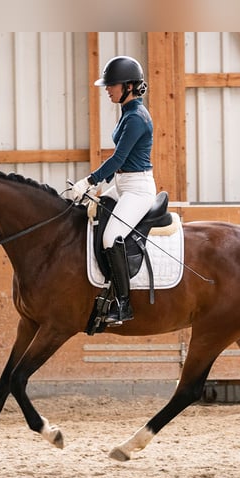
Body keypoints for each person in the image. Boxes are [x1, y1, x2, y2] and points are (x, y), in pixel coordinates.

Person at [71, 56, 156, 324]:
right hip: (122, 185)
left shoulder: (137, 118)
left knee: (111, 238)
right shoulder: (128, 113)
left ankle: (123, 304)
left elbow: (119, 159)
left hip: (138, 190)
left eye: (112, 85)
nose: (107, 89)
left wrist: (90, 181)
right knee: (88, 214)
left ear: (128, 86)